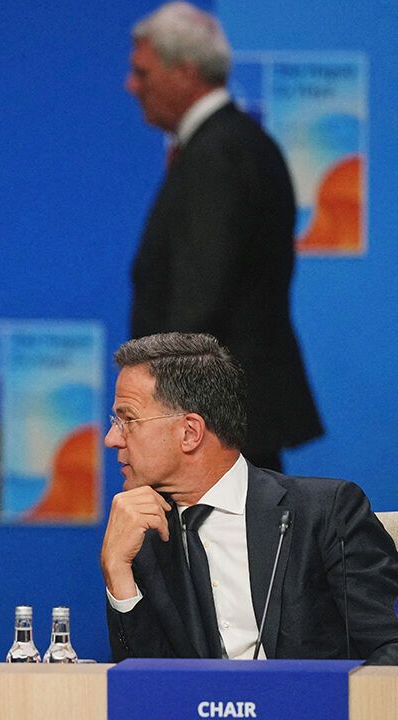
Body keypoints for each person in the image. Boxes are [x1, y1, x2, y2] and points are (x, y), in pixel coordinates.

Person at [101, 333, 398, 663]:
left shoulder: (324, 512)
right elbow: (145, 687)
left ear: (189, 432)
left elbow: (385, 650)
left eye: (128, 420)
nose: (112, 438)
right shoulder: (145, 535)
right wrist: (117, 571)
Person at [125, 2, 321, 471]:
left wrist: (156, 414)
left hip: (212, 421)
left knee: (229, 545)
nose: (132, 86)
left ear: (185, 72)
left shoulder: (218, 155)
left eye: (142, 72)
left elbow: (199, 299)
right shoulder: (235, 143)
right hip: (215, 412)